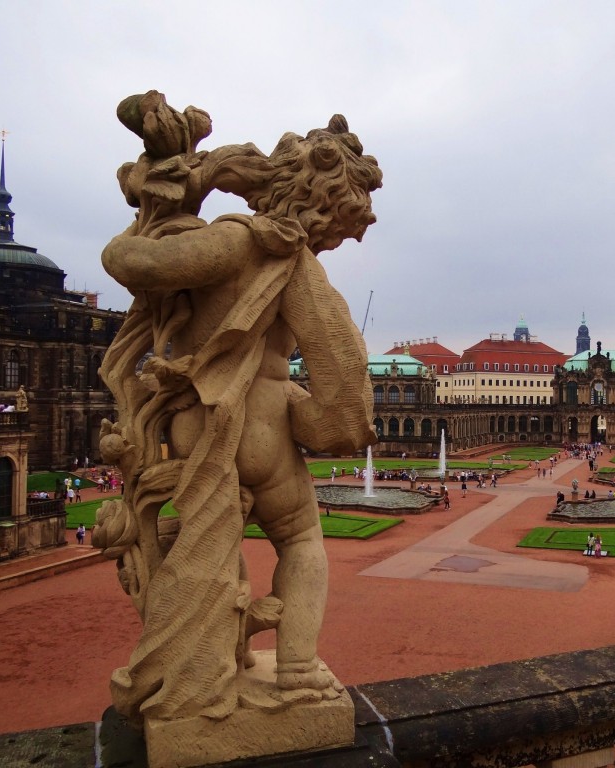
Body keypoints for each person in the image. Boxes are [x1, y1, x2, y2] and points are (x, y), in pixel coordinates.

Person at [95, 98, 381, 721]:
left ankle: (209, 657)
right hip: (268, 429)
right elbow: (340, 375)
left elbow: (130, 263)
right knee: (303, 540)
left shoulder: (235, 242)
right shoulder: (296, 267)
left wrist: (158, 210)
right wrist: (305, 416)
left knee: (192, 538)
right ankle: (298, 668)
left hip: (200, 422)